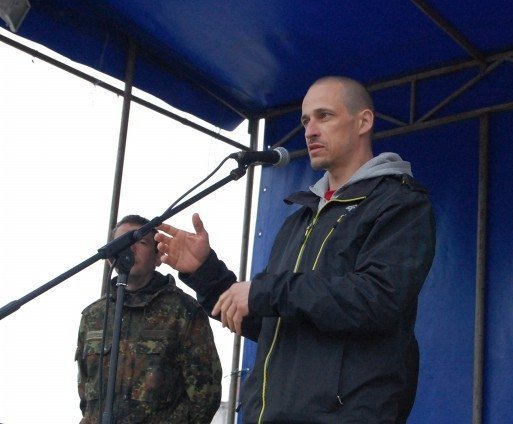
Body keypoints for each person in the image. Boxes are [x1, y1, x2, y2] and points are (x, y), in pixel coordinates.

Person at [155, 76, 436, 423]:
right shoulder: (299, 219)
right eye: (305, 121)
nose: (310, 131)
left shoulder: (399, 203)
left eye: (324, 116)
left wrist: (266, 292)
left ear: (363, 121)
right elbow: (269, 323)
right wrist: (204, 272)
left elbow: (378, 299)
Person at [76, 215, 222, 423]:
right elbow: (85, 392)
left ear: (157, 256)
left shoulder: (183, 311)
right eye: (121, 243)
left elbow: (205, 396)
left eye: (141, 242)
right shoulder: (93, 316)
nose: (130, 248)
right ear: (110, 256)